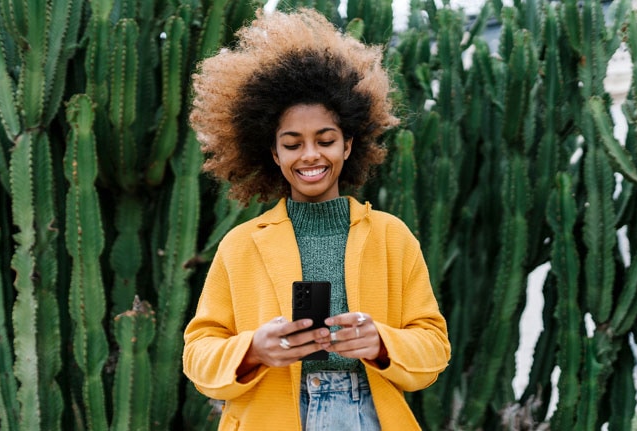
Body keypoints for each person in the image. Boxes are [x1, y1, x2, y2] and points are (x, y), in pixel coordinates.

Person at [182, 8, 450, 430]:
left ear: (348, 146)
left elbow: (434, 345)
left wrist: (381, 342)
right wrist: (254, 349)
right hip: (270, 416)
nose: (310, 155)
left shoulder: (391, 236)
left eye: (325, 140)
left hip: (370, 415)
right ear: (274, 154)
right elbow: (198, 353)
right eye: (292, 144)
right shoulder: (241, 244)